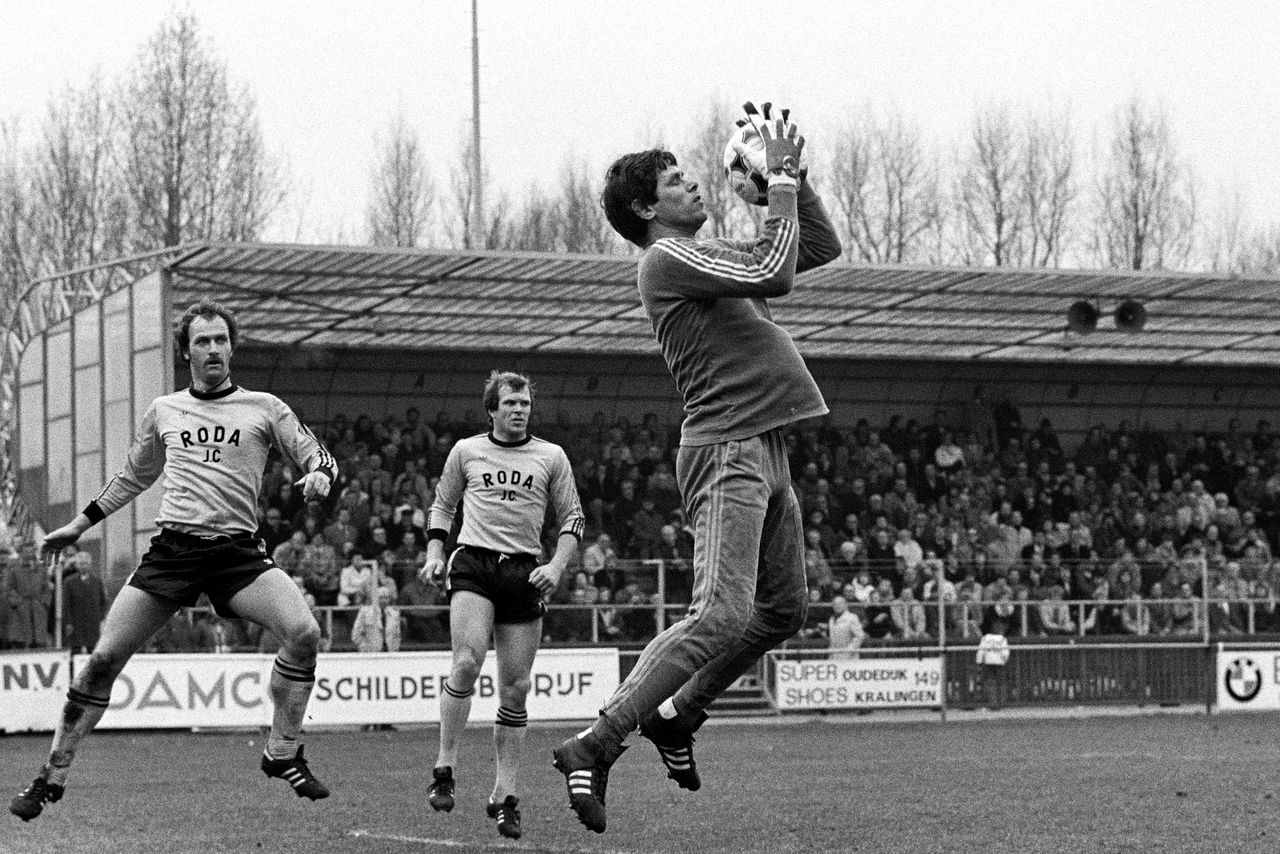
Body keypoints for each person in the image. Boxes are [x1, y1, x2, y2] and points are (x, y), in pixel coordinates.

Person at [554, 102, 841, 834]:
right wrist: (773, 178)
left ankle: (679, 715)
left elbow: (818, 247)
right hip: (726, 450)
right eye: (678, 181)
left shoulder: (702, 260)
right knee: (719, 615)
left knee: (782, 610)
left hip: (763, 446)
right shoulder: (665, 257)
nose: (696, 186)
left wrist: (795, 186)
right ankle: (598, 740)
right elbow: (776, 273)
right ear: (648, 209)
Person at [9, 299, 337, 823]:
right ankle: (50, 778)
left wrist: (319, 474)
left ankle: (283, 752)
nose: (213, 349)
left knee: (304, 633)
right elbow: (135, 476)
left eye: (221, 340)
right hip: (173, 553)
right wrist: (79, 524)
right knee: (102, 661)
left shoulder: (265, 406)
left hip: (236, 554)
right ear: (186, 352)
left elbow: (317, 453)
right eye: (202, 341)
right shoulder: (164, 409)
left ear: (232, 348)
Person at [423, 371, 584, 841]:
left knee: (515, 689)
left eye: (526, 404)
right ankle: (444, 768)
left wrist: (556, 566)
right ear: (492, 409)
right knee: (468, 660)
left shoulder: (551, 456)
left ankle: (505, 795)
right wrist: (435, 553)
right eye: (510, 403)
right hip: (473, 563)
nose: (519, 410)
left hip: (524, 571)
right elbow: (441, 506)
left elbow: (572, 516)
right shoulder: (466, 451)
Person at [60, 552, 108, 654]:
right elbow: (66, 604)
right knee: (75, 651)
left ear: (90, 564)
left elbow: (103, 601)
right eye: (81, 564)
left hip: (93, 623)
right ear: (77, 565)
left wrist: (101, 617)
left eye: (86, 563)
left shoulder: (97, 581)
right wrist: (68, 622)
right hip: (76, 622)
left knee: (93, 651)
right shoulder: (69, 582)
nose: (84, 566)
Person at [826, 595, 864, 660]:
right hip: (834, 656)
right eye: (835, 604)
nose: (837, 606)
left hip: (850, 658)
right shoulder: (831, 619)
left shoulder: (852, 617)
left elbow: (859, 636)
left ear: (846, 605)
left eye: (840, 603)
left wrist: (848, 651)